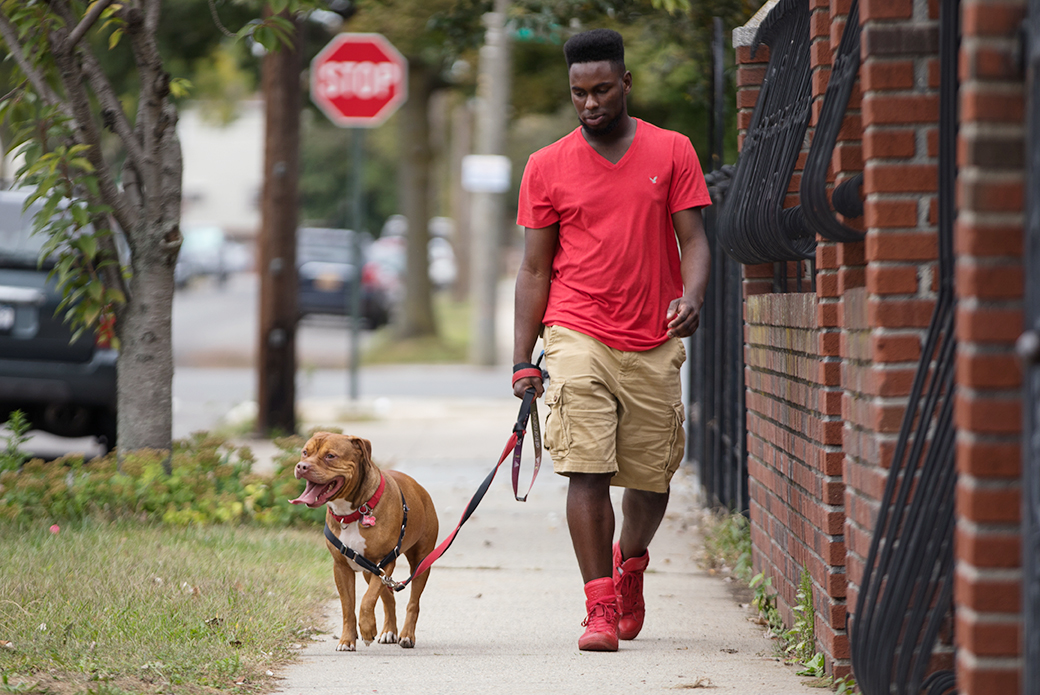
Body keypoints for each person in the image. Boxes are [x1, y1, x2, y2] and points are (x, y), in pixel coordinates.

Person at [511, 28, 712, 652]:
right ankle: (599, 608)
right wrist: (523, 358)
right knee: (586, 469)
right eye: (579, 93)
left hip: (652, 334)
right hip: (576, 331)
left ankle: (629, 565)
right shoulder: (546, 165)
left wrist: (694, 296)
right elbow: (535, 268)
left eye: (601, 90)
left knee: (651, 480)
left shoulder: (672, 150)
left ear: (625, 83)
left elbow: (696, 241)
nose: (590, 103)